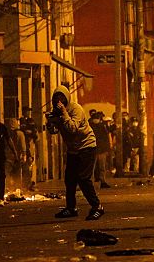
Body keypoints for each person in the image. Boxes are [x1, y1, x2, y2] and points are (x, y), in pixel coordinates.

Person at [46, 85, 104, 220]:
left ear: (67, 99)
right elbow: (54, 131)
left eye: (62, 99)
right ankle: (71, 208)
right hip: (73, 149)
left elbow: (72, 128)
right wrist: (50, 122)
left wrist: (64, 113)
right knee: (70, 180)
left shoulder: (76, 109)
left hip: (86, 146)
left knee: (84, 179)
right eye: (56, 99)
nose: (59, 103)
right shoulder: (57, 111)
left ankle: (97, 206)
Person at [90, 112, 112, 188]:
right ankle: (91, 182)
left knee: (101, 167)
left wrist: (107, 149)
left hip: (100, 149)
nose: (96, 120)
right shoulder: (89, 127)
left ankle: (102, 181)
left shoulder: (103, 127)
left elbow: (107, 137)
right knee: (92, 167)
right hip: (93, 150)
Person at [19, 106, 38, 191]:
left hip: (30, 144)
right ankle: (25, 183)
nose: (28, 113)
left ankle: (32, 183)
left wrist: (31, 132)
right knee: (25, 164)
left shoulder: (31, 121)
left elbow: (34, 131)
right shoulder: (21, 120)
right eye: (26, 111)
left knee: (31, 163)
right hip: (24, 144)